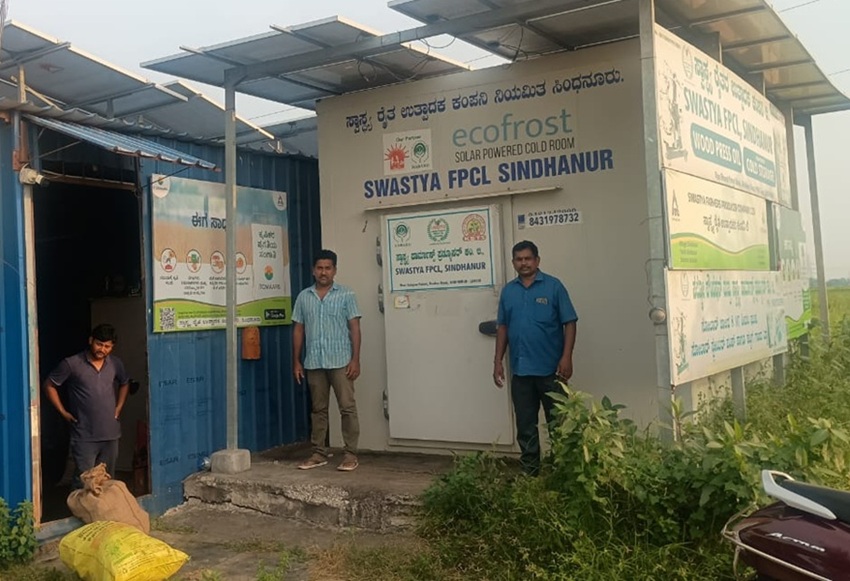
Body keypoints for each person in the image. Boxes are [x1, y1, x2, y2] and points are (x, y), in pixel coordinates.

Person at [493, 240, 578, 476]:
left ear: (537, 260)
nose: (524, 263)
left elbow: (569, 322)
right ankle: (530, 475)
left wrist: (567, 357)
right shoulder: (509, 291)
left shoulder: (553, 287)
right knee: (526, 426)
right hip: (521, 372)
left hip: (552, 371)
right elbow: (503, 327)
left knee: (558, 425)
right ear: (513, 263)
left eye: (528, 258)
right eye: (519, 259)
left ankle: (563, 475)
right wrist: (497, 361)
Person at [292, 249, 362, 472]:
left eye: (328, 268)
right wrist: (296, 361)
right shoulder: (304, 297)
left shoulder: (346, 295)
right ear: (314, 271)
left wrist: (355, 360)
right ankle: (318, 453)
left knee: (347, 408)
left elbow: (355, 328)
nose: (324, 272)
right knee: (318, 410)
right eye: (320, 268)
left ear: (335, 270)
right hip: (314, 362)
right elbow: (298, 330)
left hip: (341, 361)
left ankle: (350, 454)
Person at [44, 324, 130, 487]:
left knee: (106, 481)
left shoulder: (115, 364)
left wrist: (119, 407)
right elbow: (49, 385)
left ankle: (103, 512)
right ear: (91, 341)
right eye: (99, 344)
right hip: (84, 436)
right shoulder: (72, 363)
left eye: (107, 346)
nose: (102, 349)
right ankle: (80, 512)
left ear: (112, 347)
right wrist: (63, 412)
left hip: (110, 434)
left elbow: (125, 382)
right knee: (85, 481)